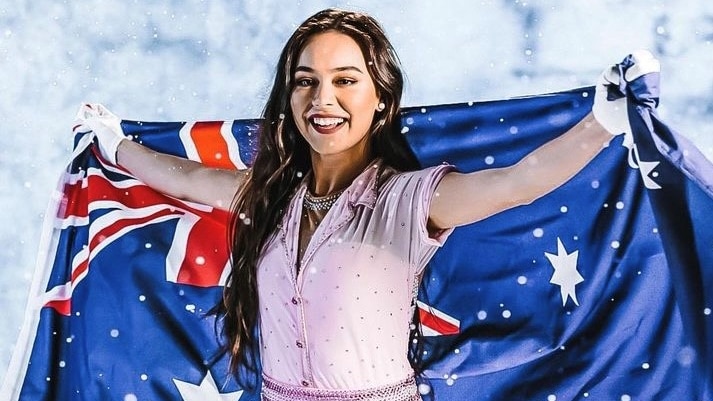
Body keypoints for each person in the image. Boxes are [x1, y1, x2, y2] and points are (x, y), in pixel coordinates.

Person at [74, 8, 660, 401]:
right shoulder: (274, 194)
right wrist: (116, 145)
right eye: (305, 81)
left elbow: (519, 180)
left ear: (381, 99)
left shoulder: (409, 200)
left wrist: (602, 122)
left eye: (345, 80)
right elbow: (190, 178)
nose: (322, 99)